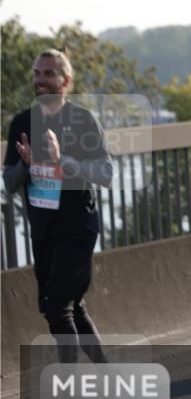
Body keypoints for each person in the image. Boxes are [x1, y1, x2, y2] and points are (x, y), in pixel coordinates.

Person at [3, 49, 113, 363]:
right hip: (43, 229)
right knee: (72, 307)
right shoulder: (22, 122)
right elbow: (9, 183)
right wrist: (25, 164)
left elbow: (105, 173)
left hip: (78, 227)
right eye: (37, 73)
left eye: (49, 74)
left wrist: (62, 159)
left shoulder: (82, 120)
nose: (41, 80)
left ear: (65, 81)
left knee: (57, 309)